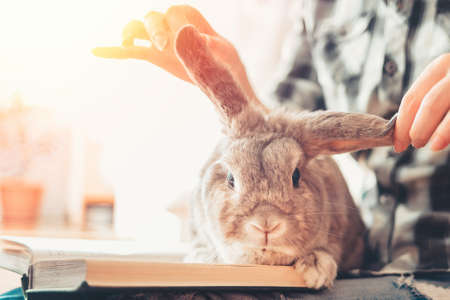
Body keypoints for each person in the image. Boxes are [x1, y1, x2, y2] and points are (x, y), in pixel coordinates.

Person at [93, 0, 449, 297]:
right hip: (372, 271)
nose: (265, 222)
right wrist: (231, 80)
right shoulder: (324, 7)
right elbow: (273, 135)